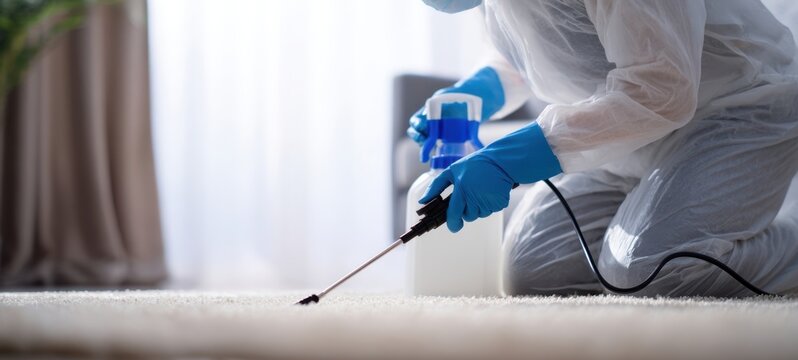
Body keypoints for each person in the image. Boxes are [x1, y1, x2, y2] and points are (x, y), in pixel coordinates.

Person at [411, 0, 798, 297]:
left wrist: (511, 159)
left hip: (737, 110)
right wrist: (480, 89)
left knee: (646, 271)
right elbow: (543, 45)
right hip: (624, 137)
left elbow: (661, 91)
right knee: (533, 271)